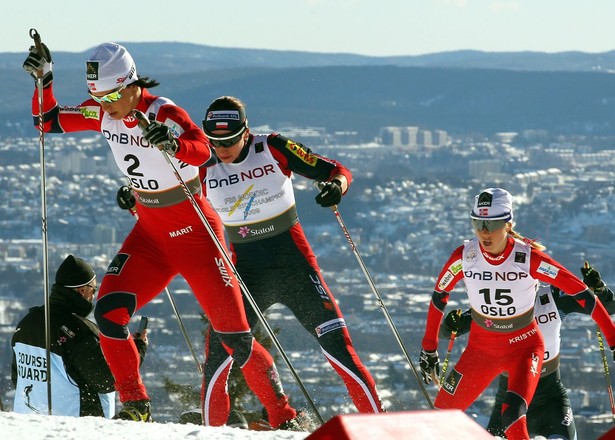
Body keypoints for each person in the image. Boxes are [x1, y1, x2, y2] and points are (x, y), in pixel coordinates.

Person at [22, 42, 300, 429]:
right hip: (151, 235)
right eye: (97, 97)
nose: (107, 105)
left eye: (114, 96)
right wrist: (45, 79)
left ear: (131, 83)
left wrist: (174, 144)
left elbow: (204, 151)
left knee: (235, 339)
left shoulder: (161, 110)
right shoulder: (103, 113)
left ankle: (283, 416)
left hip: (196, 236)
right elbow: (47, 121)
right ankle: (136, 402)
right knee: (108, 313)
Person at [196, 95, 384, 425]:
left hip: (296, 268)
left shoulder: (272, 147)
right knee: (217, 355)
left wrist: (337, 187)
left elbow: (336, 171)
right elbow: (168, 198)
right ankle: (272, 420)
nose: (221, 148)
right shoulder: (202, 164)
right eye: (214, 140)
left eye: (228, 140)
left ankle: (382, 427)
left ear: (246, 131)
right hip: (248, 276)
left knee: (339, 349)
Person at [418, 187, 615, 440]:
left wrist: (612, 340)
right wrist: (429, 348)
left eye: (492, 224)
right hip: (480, 351)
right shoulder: (464, 257)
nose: (484, 232)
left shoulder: (528, 258)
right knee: (438, 419)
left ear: (509, 224)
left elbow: (581, 294)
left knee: (512, 416)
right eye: (477, 223)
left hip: (523, 349)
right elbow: (439, 296)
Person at [440, 262, 615, 439]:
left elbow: (609, 308)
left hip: (551, 402)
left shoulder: (553, 297)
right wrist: (450, 324)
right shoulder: (497, 307)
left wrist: (599, 288)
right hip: (509, 405)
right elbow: (448, 333)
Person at [11, 254, 147, 418]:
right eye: (93, 290)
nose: (93, 296)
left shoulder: (27, 322)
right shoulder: (77, 330)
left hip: (29, 421)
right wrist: (137, 349)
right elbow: (106, 380)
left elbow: (18, 377)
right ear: (82, 290)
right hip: (73, 425)